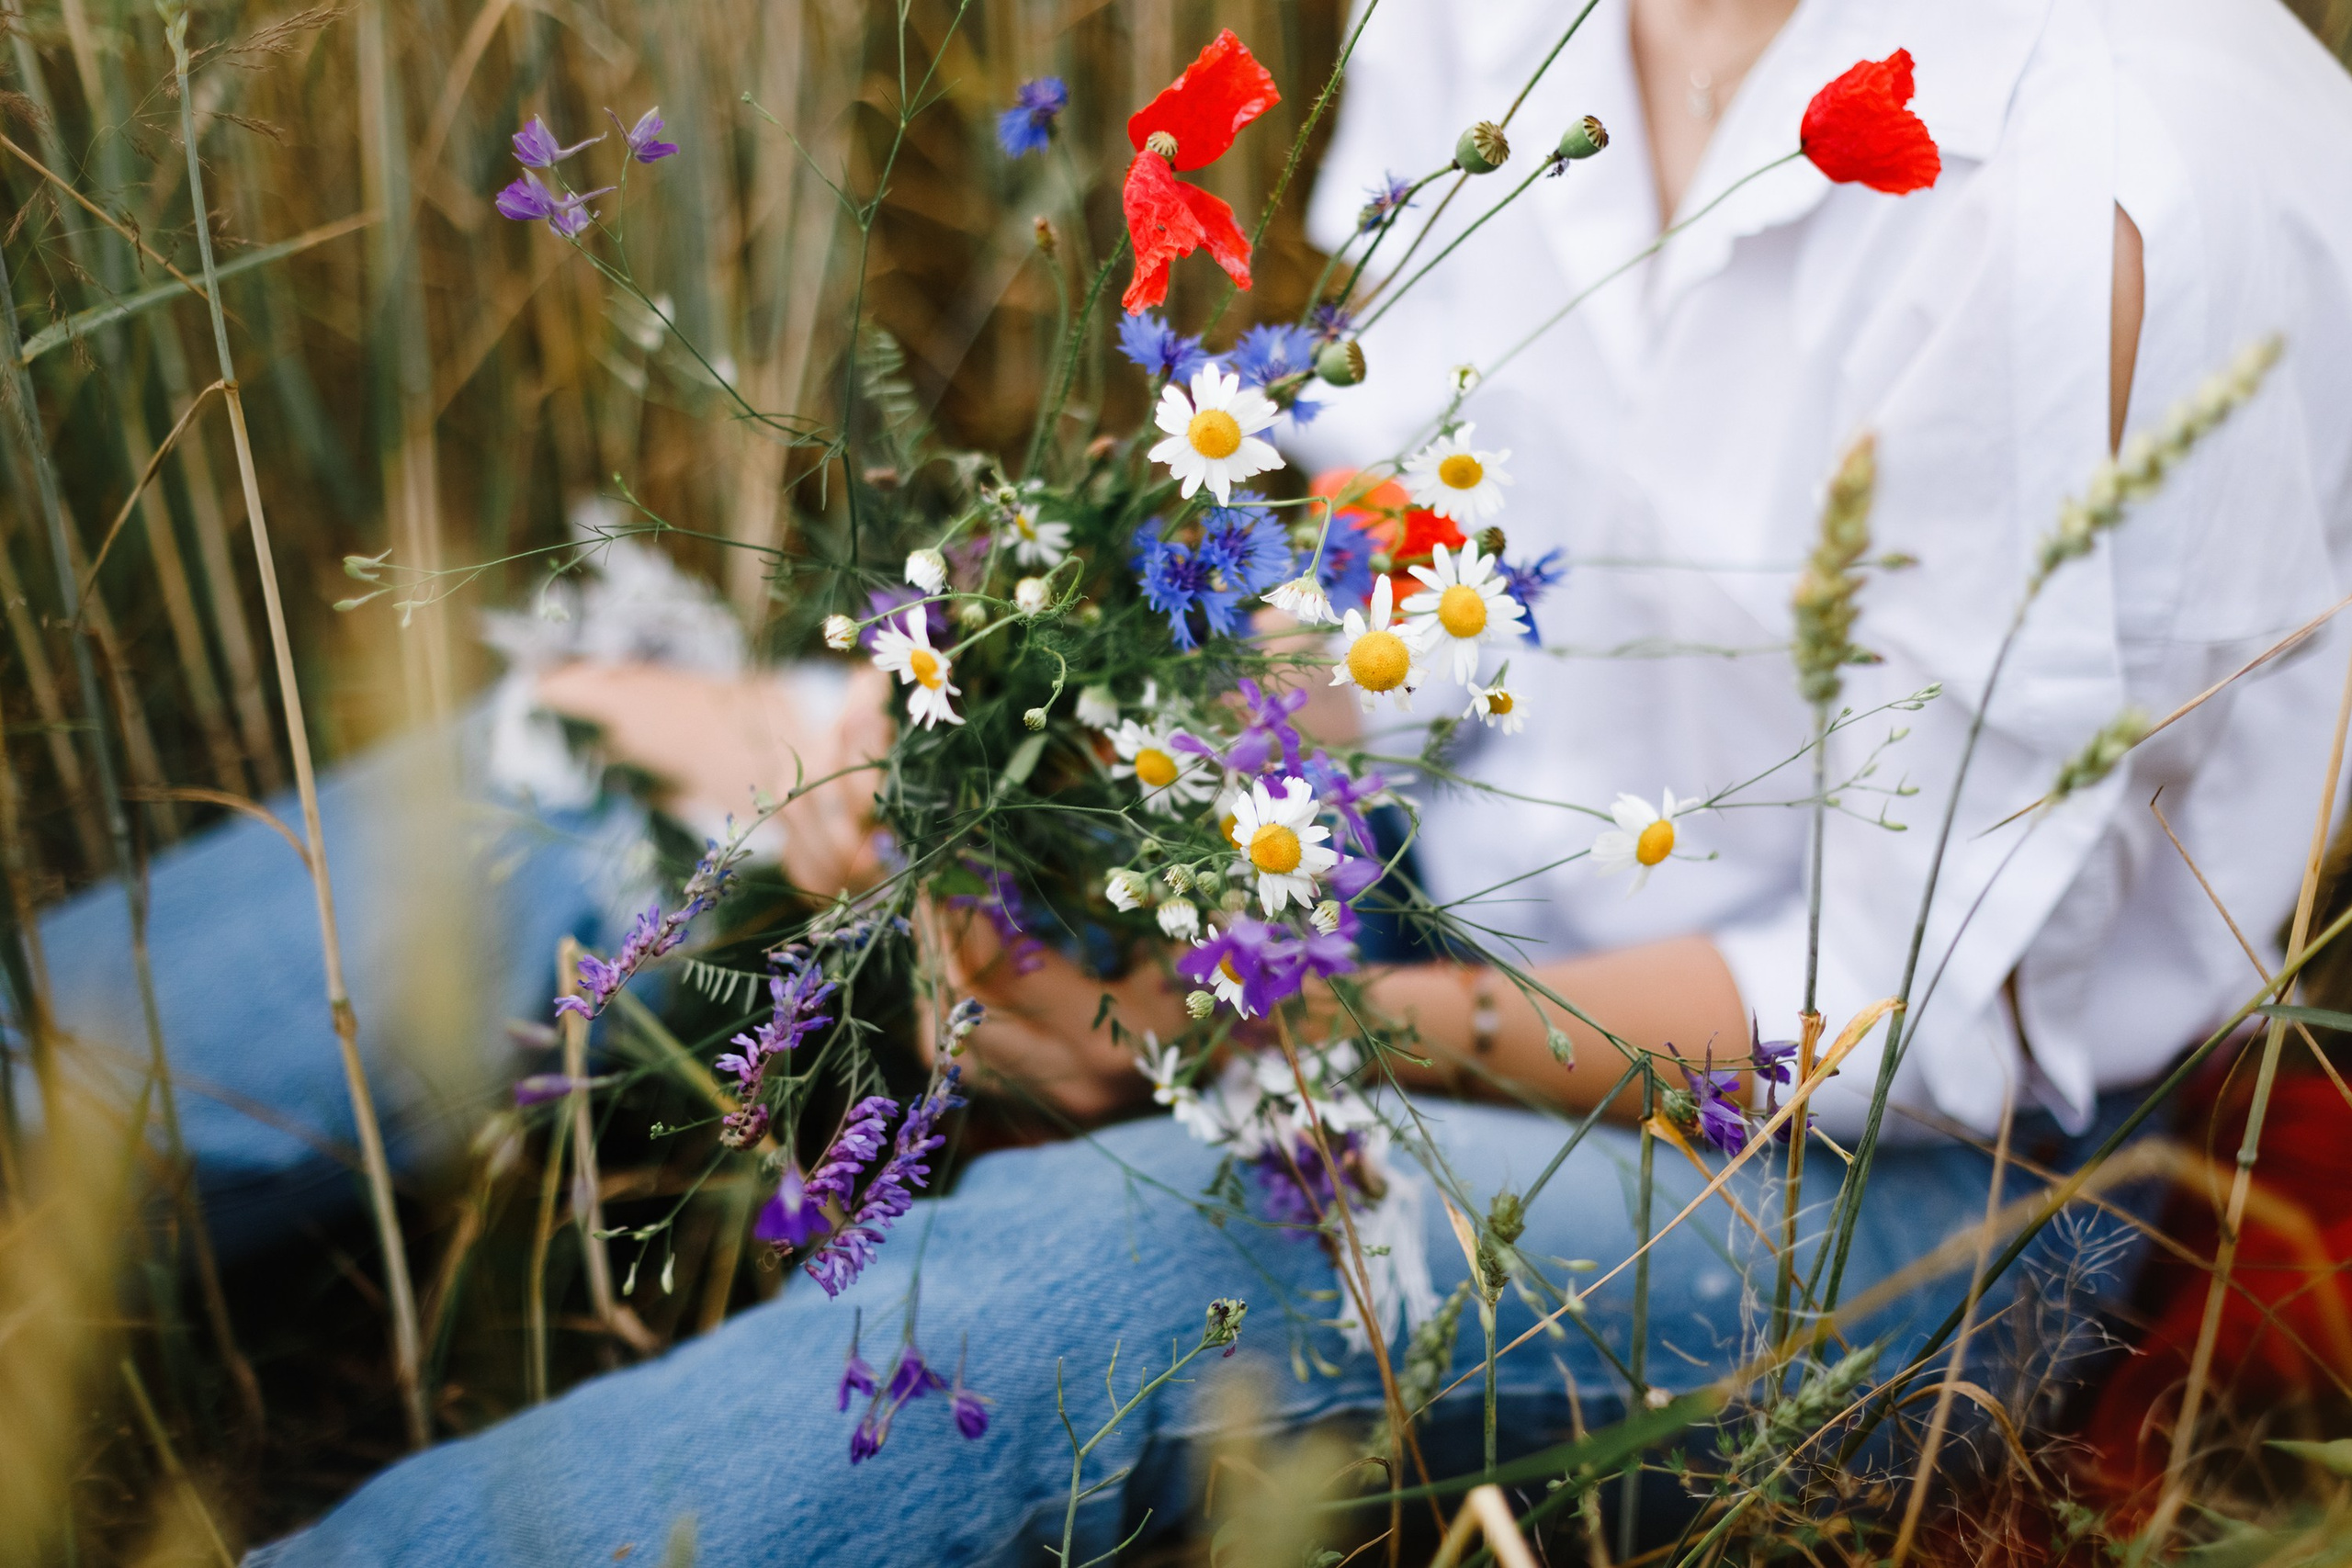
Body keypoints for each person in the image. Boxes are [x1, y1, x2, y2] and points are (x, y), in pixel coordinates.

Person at [18, 0, 2352, 1561]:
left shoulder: (2122, 170)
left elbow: (1928, 1007)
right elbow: (1393, 509)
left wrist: (1233, 1035)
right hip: (1415, 870)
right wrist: (999, 743)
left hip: (1916, 1198)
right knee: (646, 780)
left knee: (1123, 1259)